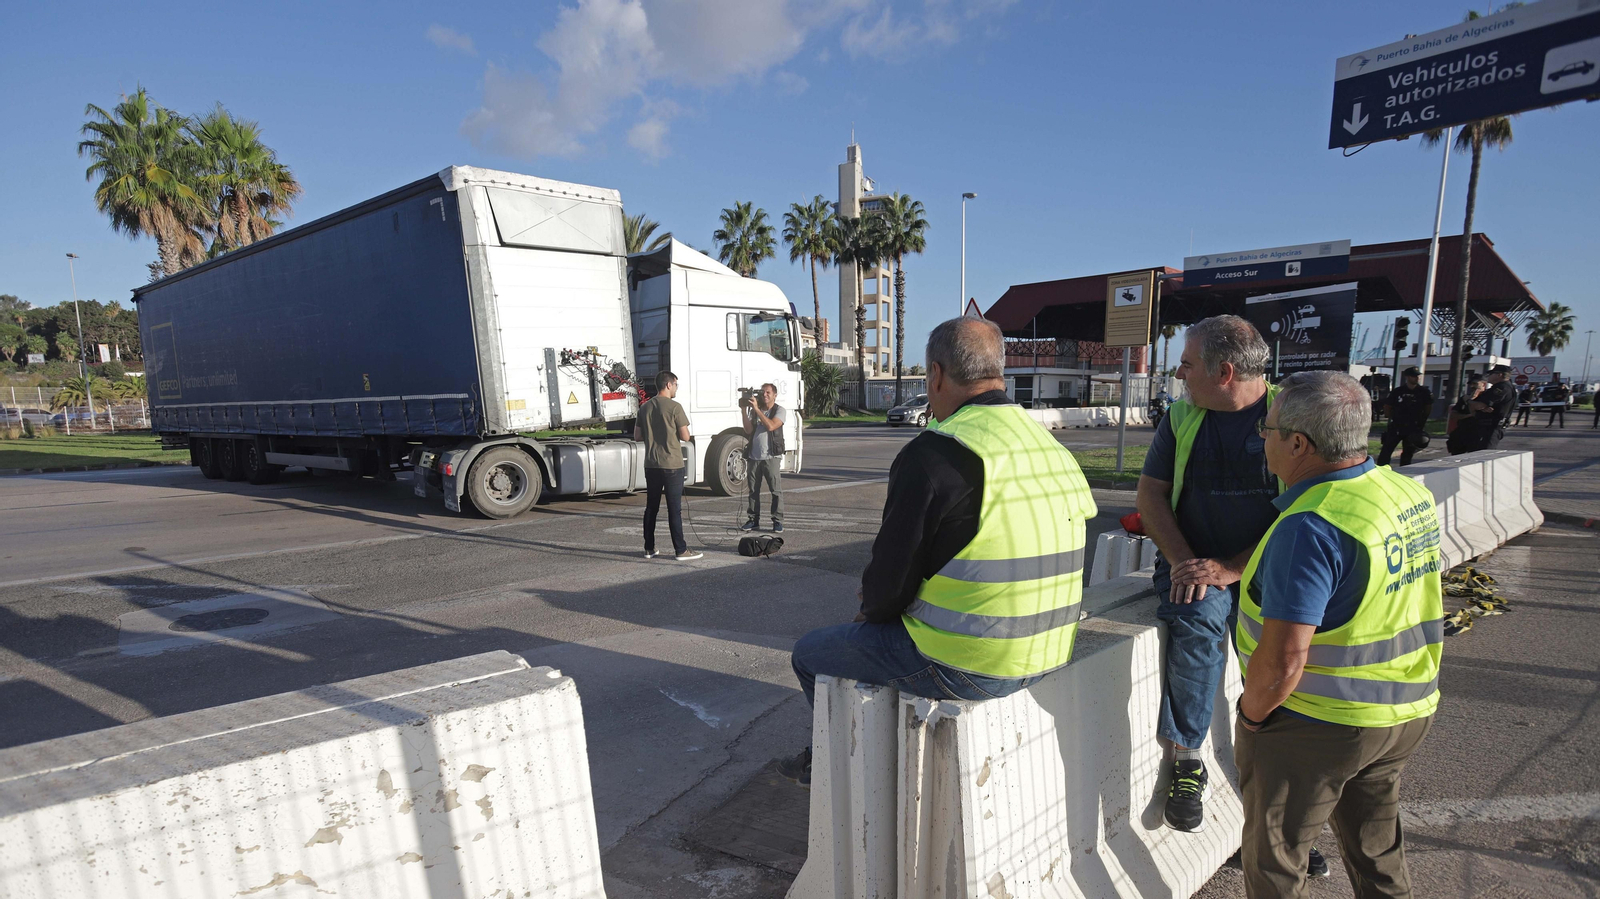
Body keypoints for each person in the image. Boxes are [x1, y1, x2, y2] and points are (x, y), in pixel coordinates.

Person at [780, 317, 1096, 785]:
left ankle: (831, 771)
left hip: (970, 663)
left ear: (936, 375)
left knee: (810, 654)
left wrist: (870, 612)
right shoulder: (1048, 447)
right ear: (999, 372)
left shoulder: (936, 452)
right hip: (1052, 650)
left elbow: (888, 584)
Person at [1234, 370, 1443, 898]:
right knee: (1378, 855)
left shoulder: (1312, 525)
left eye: (1269, 428)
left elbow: (1284, 659)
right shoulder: (1401, 492)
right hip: (1404, 712)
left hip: (1319, 723)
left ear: (1298, 443)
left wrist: (1251, 715)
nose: (1264, 438)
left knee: (1276, 862)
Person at [1136, 315, 1327, 876]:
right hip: (1195, 563)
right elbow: (1151, 497)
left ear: (1223, 372)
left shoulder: (1292, 419)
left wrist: (1233, 567)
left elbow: (1305, 509)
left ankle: (1277, 831)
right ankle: (1189, 759)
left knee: (1276, 687)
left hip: (1269, 569)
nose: (1178, 373)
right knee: (1195, 623)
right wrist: (1185, 564)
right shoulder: (1183, 415)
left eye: (1187, 364)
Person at [633, 371, 703, 561]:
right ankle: (680, 550)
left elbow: (637, 436)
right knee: (674, 509)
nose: (676, 389)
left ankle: (649, 548)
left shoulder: (645, 407)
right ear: (669, 385)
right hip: (672, 463)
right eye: (676, 385)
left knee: (651, 507)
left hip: (651, 464)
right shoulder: (674, 407)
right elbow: (685, 436)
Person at [740, 383, 786, 533]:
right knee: (753, 490)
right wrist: (743, 410)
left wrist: (757, 410)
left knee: (775, 490)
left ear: (775, 395)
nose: (765, 395)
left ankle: (777, 520)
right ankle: (753, 520)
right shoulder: (755, 410)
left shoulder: (779, 410)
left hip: (771, 456)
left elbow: (772, 426)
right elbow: (748, 430)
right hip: (754, 456)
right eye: (763, 392)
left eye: (768, 392)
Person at [1375, 367, 1432, 467]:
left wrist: (1421, 423)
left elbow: (1428, 409)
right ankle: (1382, 471)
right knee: (1386, 452)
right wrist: (1392, 416)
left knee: (1407, 454)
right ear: (1407, 377)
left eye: (1418, 376)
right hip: (1397, 426)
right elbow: (1387, 406)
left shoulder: (1424, 392)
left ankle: (1403, 474)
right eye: (1414, 376)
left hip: (1413, 427)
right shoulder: (1398, 391)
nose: (1416, 378)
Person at [1468, 364, 1517, 450]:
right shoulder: (1505, 387)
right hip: (1489, 425)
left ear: (1499, 375)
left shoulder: (1501, 388)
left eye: (1491, 374)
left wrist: (1470, 402)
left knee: (1483, 454)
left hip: (1492, 426)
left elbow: (1480, 404)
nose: (1489, 376)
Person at [1445, 379, 1485, 455]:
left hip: (1478, 432)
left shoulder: (1486, 398)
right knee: (1456, 454)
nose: (1472, 386)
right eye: (1470, 384)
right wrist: (1468, 415)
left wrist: (1471, 402)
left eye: (1475, 383)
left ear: (1483, 384)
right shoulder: (1464, 398)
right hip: (1462, 430)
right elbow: (1453, 414)